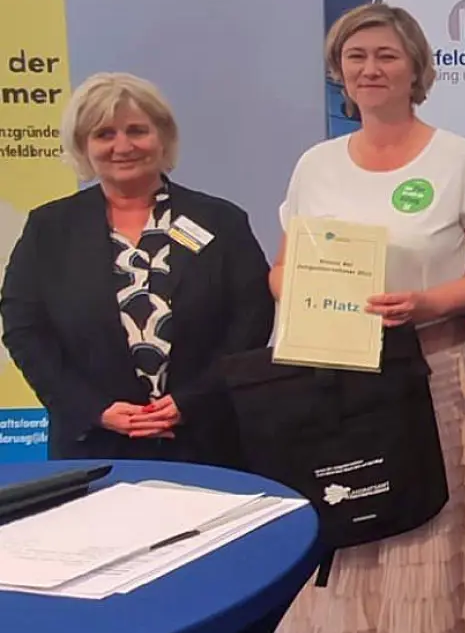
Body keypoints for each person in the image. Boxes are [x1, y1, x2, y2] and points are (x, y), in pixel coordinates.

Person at [266, 2, 465, 633]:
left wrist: (429, 304)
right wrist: (312, 293)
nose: (370, 68)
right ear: (339, 73)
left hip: (432, 377)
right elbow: (281, 270)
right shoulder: (315, 166)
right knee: (345, 543)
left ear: (416, 68)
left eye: (385, 54)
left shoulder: (458, 159)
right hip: (336, 383)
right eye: (356, 57)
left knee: (425, 548)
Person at [0, 72, 274, 463]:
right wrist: (95, 409)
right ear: (83, 145)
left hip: (206, 440)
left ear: (162, 136)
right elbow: (25, 331)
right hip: (94, 446)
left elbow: (251, 319)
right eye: (104, 134)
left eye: (136, 131)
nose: (123, 146)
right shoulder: (49, 228)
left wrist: (191, 401)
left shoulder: (221, 221)